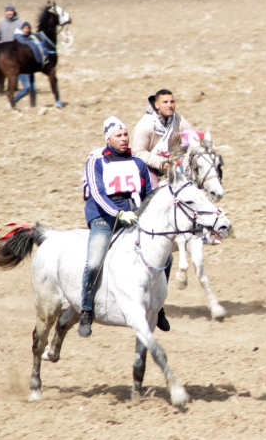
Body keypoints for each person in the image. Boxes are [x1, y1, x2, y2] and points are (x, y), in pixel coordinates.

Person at [79, 117, 156, 337]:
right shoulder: (97, 162)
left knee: (165, 257)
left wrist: (144, 214)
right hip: (104, 216)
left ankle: (158, 309)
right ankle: (86, 309)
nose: (123, 139)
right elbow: (97, 194)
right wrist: (119, 214)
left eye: (125, 134)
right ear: (108, 139)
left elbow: (148, 194)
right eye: (118, 135)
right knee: (94, 262)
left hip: (132, 214)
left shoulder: (138, 163)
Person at [132, 89, 192, 184]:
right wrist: (160, 163)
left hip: (175, 165)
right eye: (165, 102)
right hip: (151, 166)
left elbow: (191, 140)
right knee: (153, 189)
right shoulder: (144, 125)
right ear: (157, 105)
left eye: (172, 102)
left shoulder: (179, 120)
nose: (170, 105)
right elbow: (138, 152)